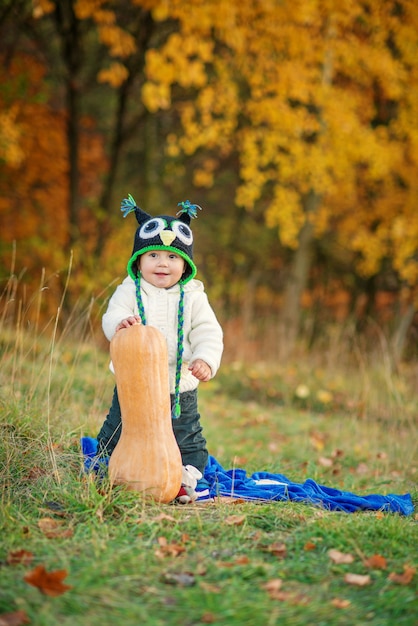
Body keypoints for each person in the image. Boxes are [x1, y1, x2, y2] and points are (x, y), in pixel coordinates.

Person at [97, 194, 223, 502]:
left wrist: (205, 358)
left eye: (172, 257)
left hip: (178, 385)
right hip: (134, 384)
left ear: (185, 265)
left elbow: (209, 331)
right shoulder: (130, 290)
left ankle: (185, 477)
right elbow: (111, 314)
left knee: (187, 435)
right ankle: (104, 465)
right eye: (153, 256)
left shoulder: (193, 296)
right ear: (139, 261)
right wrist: (120, 323)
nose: (162, 263)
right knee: (118, 426)